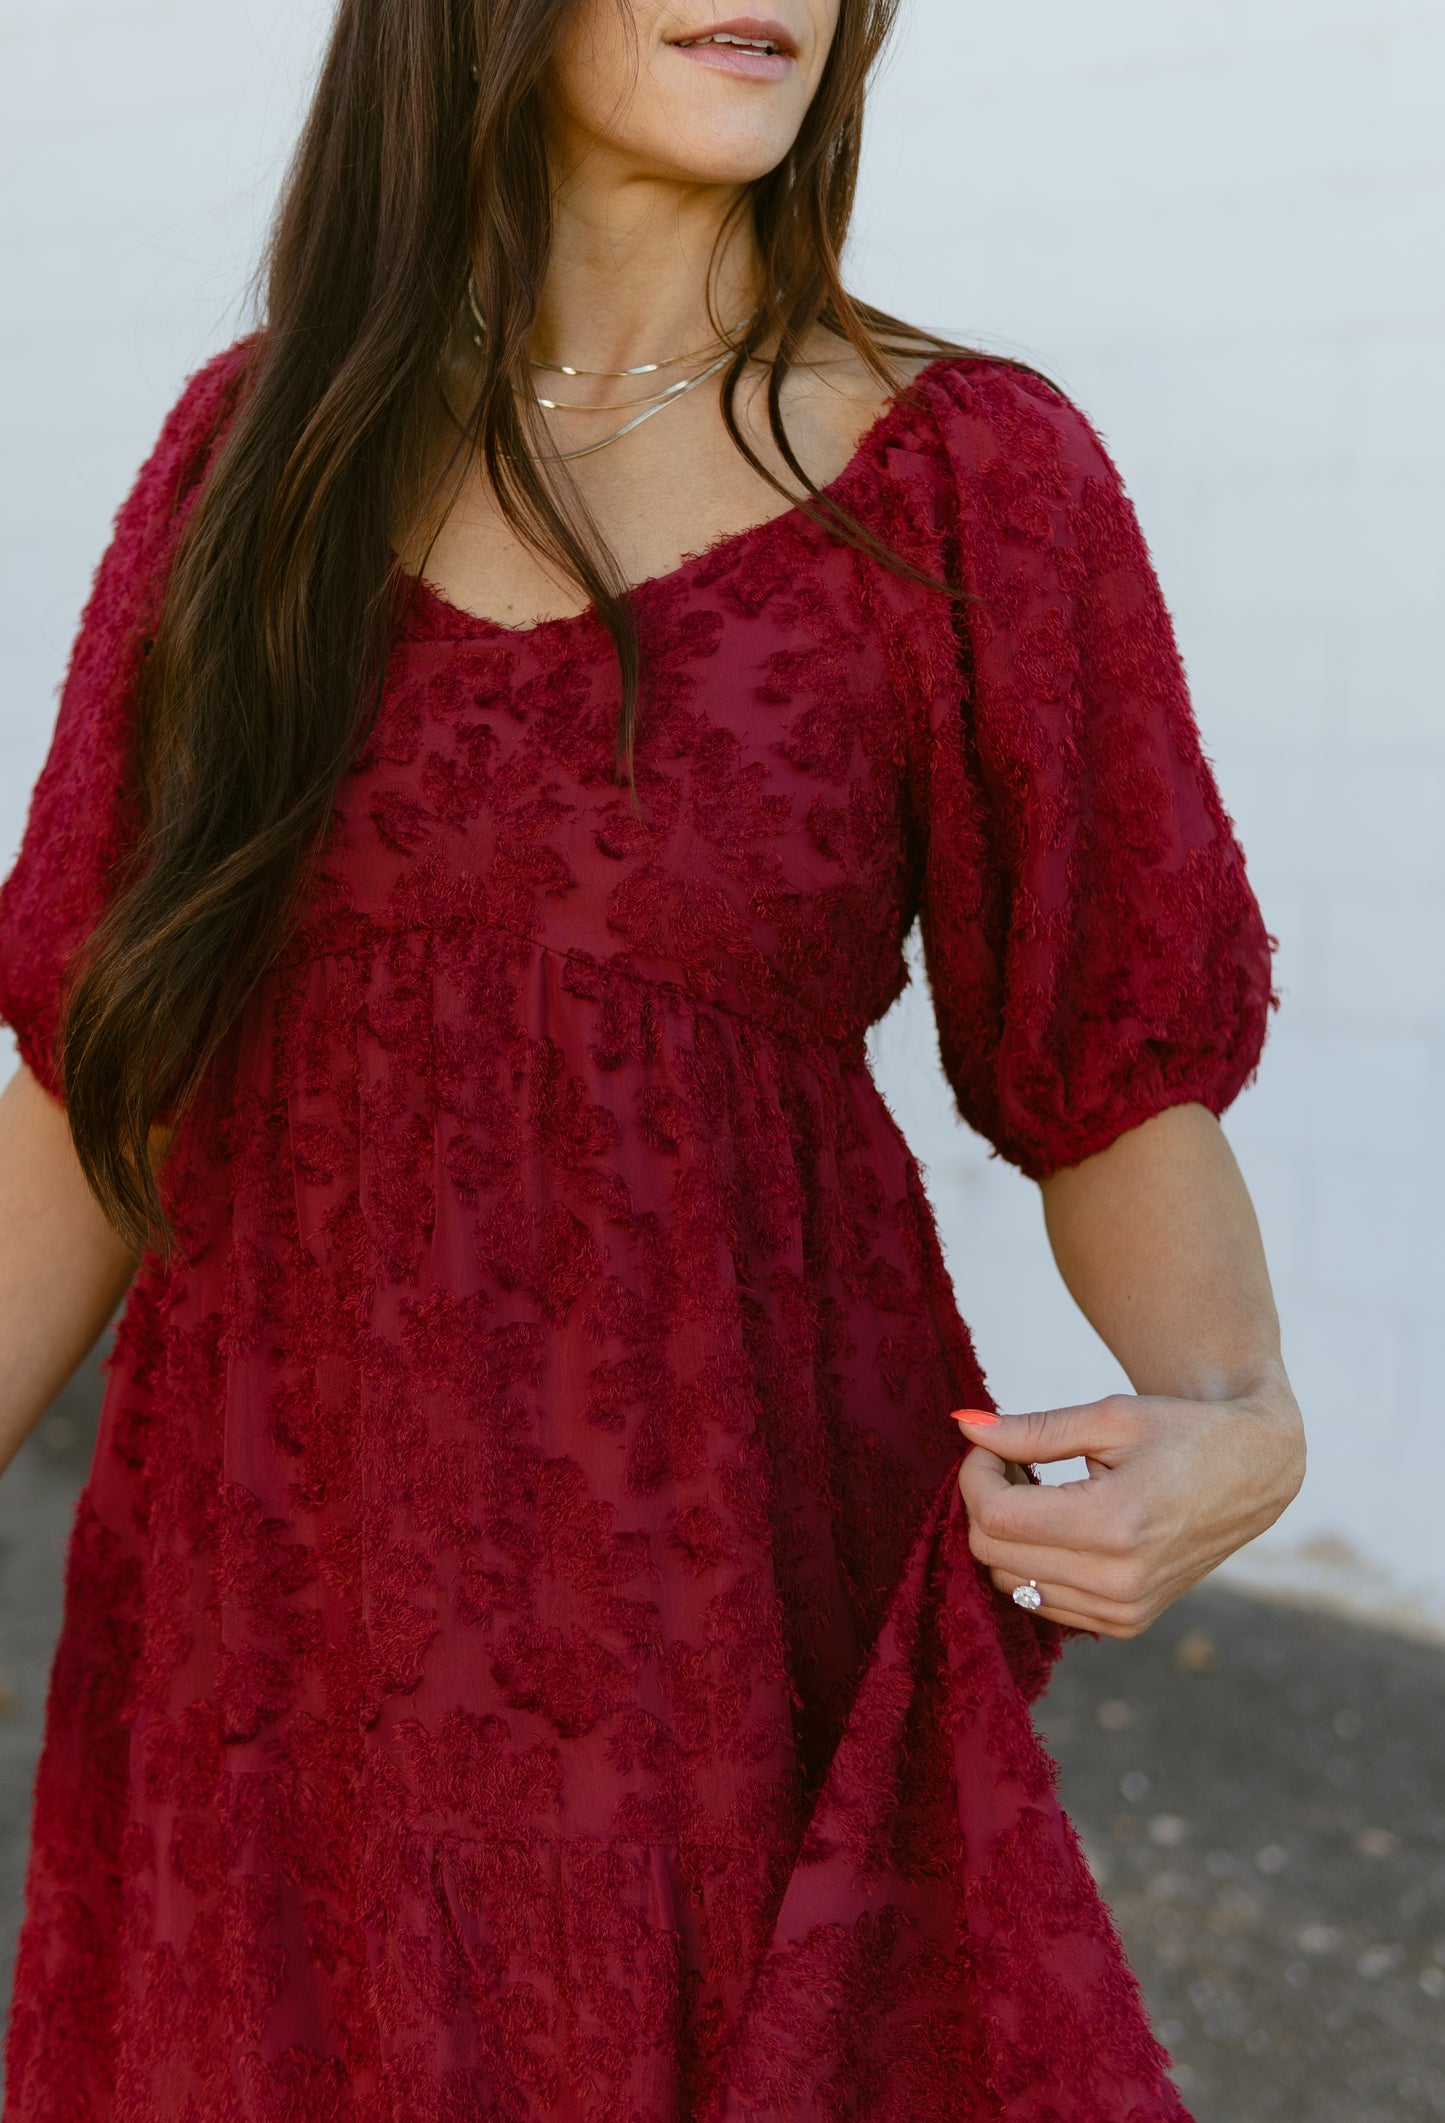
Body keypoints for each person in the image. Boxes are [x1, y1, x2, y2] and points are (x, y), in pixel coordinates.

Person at [0, 1, 1305, 2116]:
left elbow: (1111, 1046)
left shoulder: (976, 471)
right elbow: (94, 1074)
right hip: (273, 1628)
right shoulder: (255, 456)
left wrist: (1241, 1416)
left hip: (709, 1627)